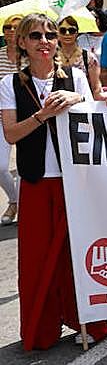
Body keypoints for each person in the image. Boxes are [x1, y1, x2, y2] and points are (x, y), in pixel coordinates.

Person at [0, 14, 107, 351]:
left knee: (76, 254)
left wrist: (77, 99)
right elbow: (10, 133)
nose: (45, 40)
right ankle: (41, 329)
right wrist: (41, 116)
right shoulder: (11, 85)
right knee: (36, 261)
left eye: (51, 34)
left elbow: (93, 110)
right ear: (22, 43)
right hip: (35, 181)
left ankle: (88, 322)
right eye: (35, 35)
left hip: (73, 181)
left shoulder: (75, 77)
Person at [0, 15, 21, 225]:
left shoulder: (29, 57)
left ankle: (23, 204)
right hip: (2, 117)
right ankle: (15, 200)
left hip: (28, 118)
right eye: (7, 27)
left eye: (15, 27)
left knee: (25, 169)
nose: (10, 31)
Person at [54, 15, 102, 98]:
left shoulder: (89, 58)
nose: (67, 33)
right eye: (63, 30)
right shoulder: (51, 57)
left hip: (81, 103)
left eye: (71, 30)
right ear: (57, 33)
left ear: (77, 33)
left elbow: (96, 87)